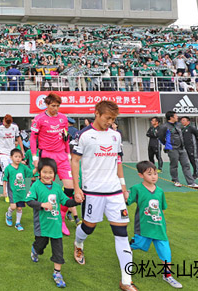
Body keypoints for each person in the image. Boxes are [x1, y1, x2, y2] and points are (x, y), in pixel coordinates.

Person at [70, 100, 137, 291]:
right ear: (97, 113)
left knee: (122, 233)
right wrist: (77, 188)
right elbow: (75, 161)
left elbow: (118, 162)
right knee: (89, 227)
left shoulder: (116, 136)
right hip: (92, 192)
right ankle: (79, 243)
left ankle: (126, 281)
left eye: (113, 119)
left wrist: (123, 187)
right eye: (108, 118)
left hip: (114, 191)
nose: (110, 122)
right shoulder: (83, 135)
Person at [126, 161, 183, 289]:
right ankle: (129, 246)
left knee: (166, 253)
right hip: (143, 228)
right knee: (138, 245)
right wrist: (125, 195)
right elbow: (127, 201)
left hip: (159, 229)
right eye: (149, 174)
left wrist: (160, 223)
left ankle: (167, 275)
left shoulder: (160, 191)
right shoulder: (137, 189)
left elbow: (161, 209)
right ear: (141, 175)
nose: (154, 176)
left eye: (155, 173)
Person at [26, 158, 79, 288]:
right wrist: (42, 204)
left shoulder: (56, 187)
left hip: (56, 226)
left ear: (54, 174)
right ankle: (35, 249)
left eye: (51, 172)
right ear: (39, 172)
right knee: (40, 247)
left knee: (58, 252)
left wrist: (77, 201)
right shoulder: (36, 186)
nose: (47, 175)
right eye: (45, 172)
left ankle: (57, 273)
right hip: (42, 226)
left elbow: (66, 201)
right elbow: (29, 201)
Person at [30, 93, 78, 236]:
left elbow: (65, 137)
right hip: (47, 155)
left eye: (57, 106)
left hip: (62, 155)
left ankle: (61, 219)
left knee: (70, 187)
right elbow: (33, 138)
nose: (55, 109)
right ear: (47, 104)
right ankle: (43, 219)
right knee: (45, 190)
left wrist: (68, 154)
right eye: (53, 106)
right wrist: (34, 156)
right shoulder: (39, 119)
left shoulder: (63, 118)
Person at [158, 111, 198, 189]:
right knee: (174, 165)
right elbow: (160, 137)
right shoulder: (164, 126)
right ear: (171, 117)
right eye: (176, 116)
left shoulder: (178, 125)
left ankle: (191, 183)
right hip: (172, 149)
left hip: (182, 148)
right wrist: (167, 144)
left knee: (186, 165)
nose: (177, 117)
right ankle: (175, 180)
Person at [2, 148, 33, 231]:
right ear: (11, 157)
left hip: (21, 192)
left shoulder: (23, 167)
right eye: (16, 156)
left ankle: (17, 223)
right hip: (12, 191)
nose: (18, 158)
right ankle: (8, 215)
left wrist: (37, 168)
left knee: (19, 208)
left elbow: (30, 173)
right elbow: (5, 180)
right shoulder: (8, 168)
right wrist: (4, 191)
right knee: (13, 207)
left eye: (19, 157)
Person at [0, 114, 23, 188]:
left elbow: (18, 138)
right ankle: (6, 192)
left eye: (8, 125)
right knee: (6, 170)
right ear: (3, 121)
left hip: (12, 152)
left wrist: (22, 150)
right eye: (6, 124)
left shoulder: (15, 127)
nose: (7, 126)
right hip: (2, 152)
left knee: (14, 170)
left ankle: (13, 187)